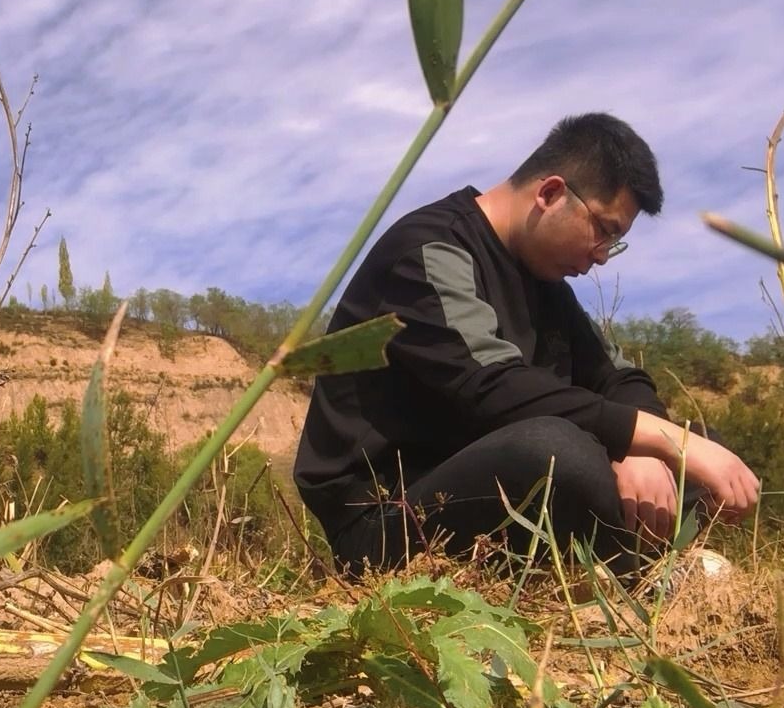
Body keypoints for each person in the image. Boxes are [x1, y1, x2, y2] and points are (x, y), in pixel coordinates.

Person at [293, 112, 759, 576]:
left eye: (614, 242)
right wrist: (657, 442)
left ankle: (609, 562)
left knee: (706, 455)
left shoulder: (547, 285)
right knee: (557, 451)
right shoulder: (429, 250)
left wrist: (652, 447)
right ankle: (636, 572)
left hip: (504, 487)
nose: (601, 256)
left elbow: (616, 377)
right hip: (389, 518)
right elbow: (492, 388)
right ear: (551, 193)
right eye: (604, 229)